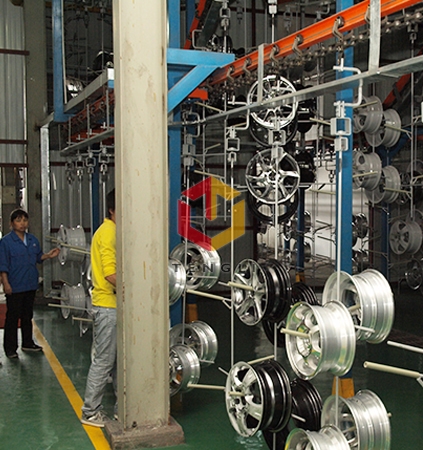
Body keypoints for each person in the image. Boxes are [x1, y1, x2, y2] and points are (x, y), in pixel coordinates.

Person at [0, 208, 60, 359]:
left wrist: (48, 255)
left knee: (27, 315)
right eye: (18, 220)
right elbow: (3, 265)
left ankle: (27, 343)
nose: (22, 223)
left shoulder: (32, 240)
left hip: (30, 284)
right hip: (15, 285)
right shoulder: (6, 242)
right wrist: (5, 283)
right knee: (13, 317)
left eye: (25, 220)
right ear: (11, 223)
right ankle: (10, 349)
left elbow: (38, 257)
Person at [81, 189, 117, 428]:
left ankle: (123, 408)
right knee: (104, 361)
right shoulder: (109, 232)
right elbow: (110, 274)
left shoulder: (109, 230)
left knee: (117, 361)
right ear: (113, 210)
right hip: (108, 306)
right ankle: (90, 411)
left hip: (112, 305)